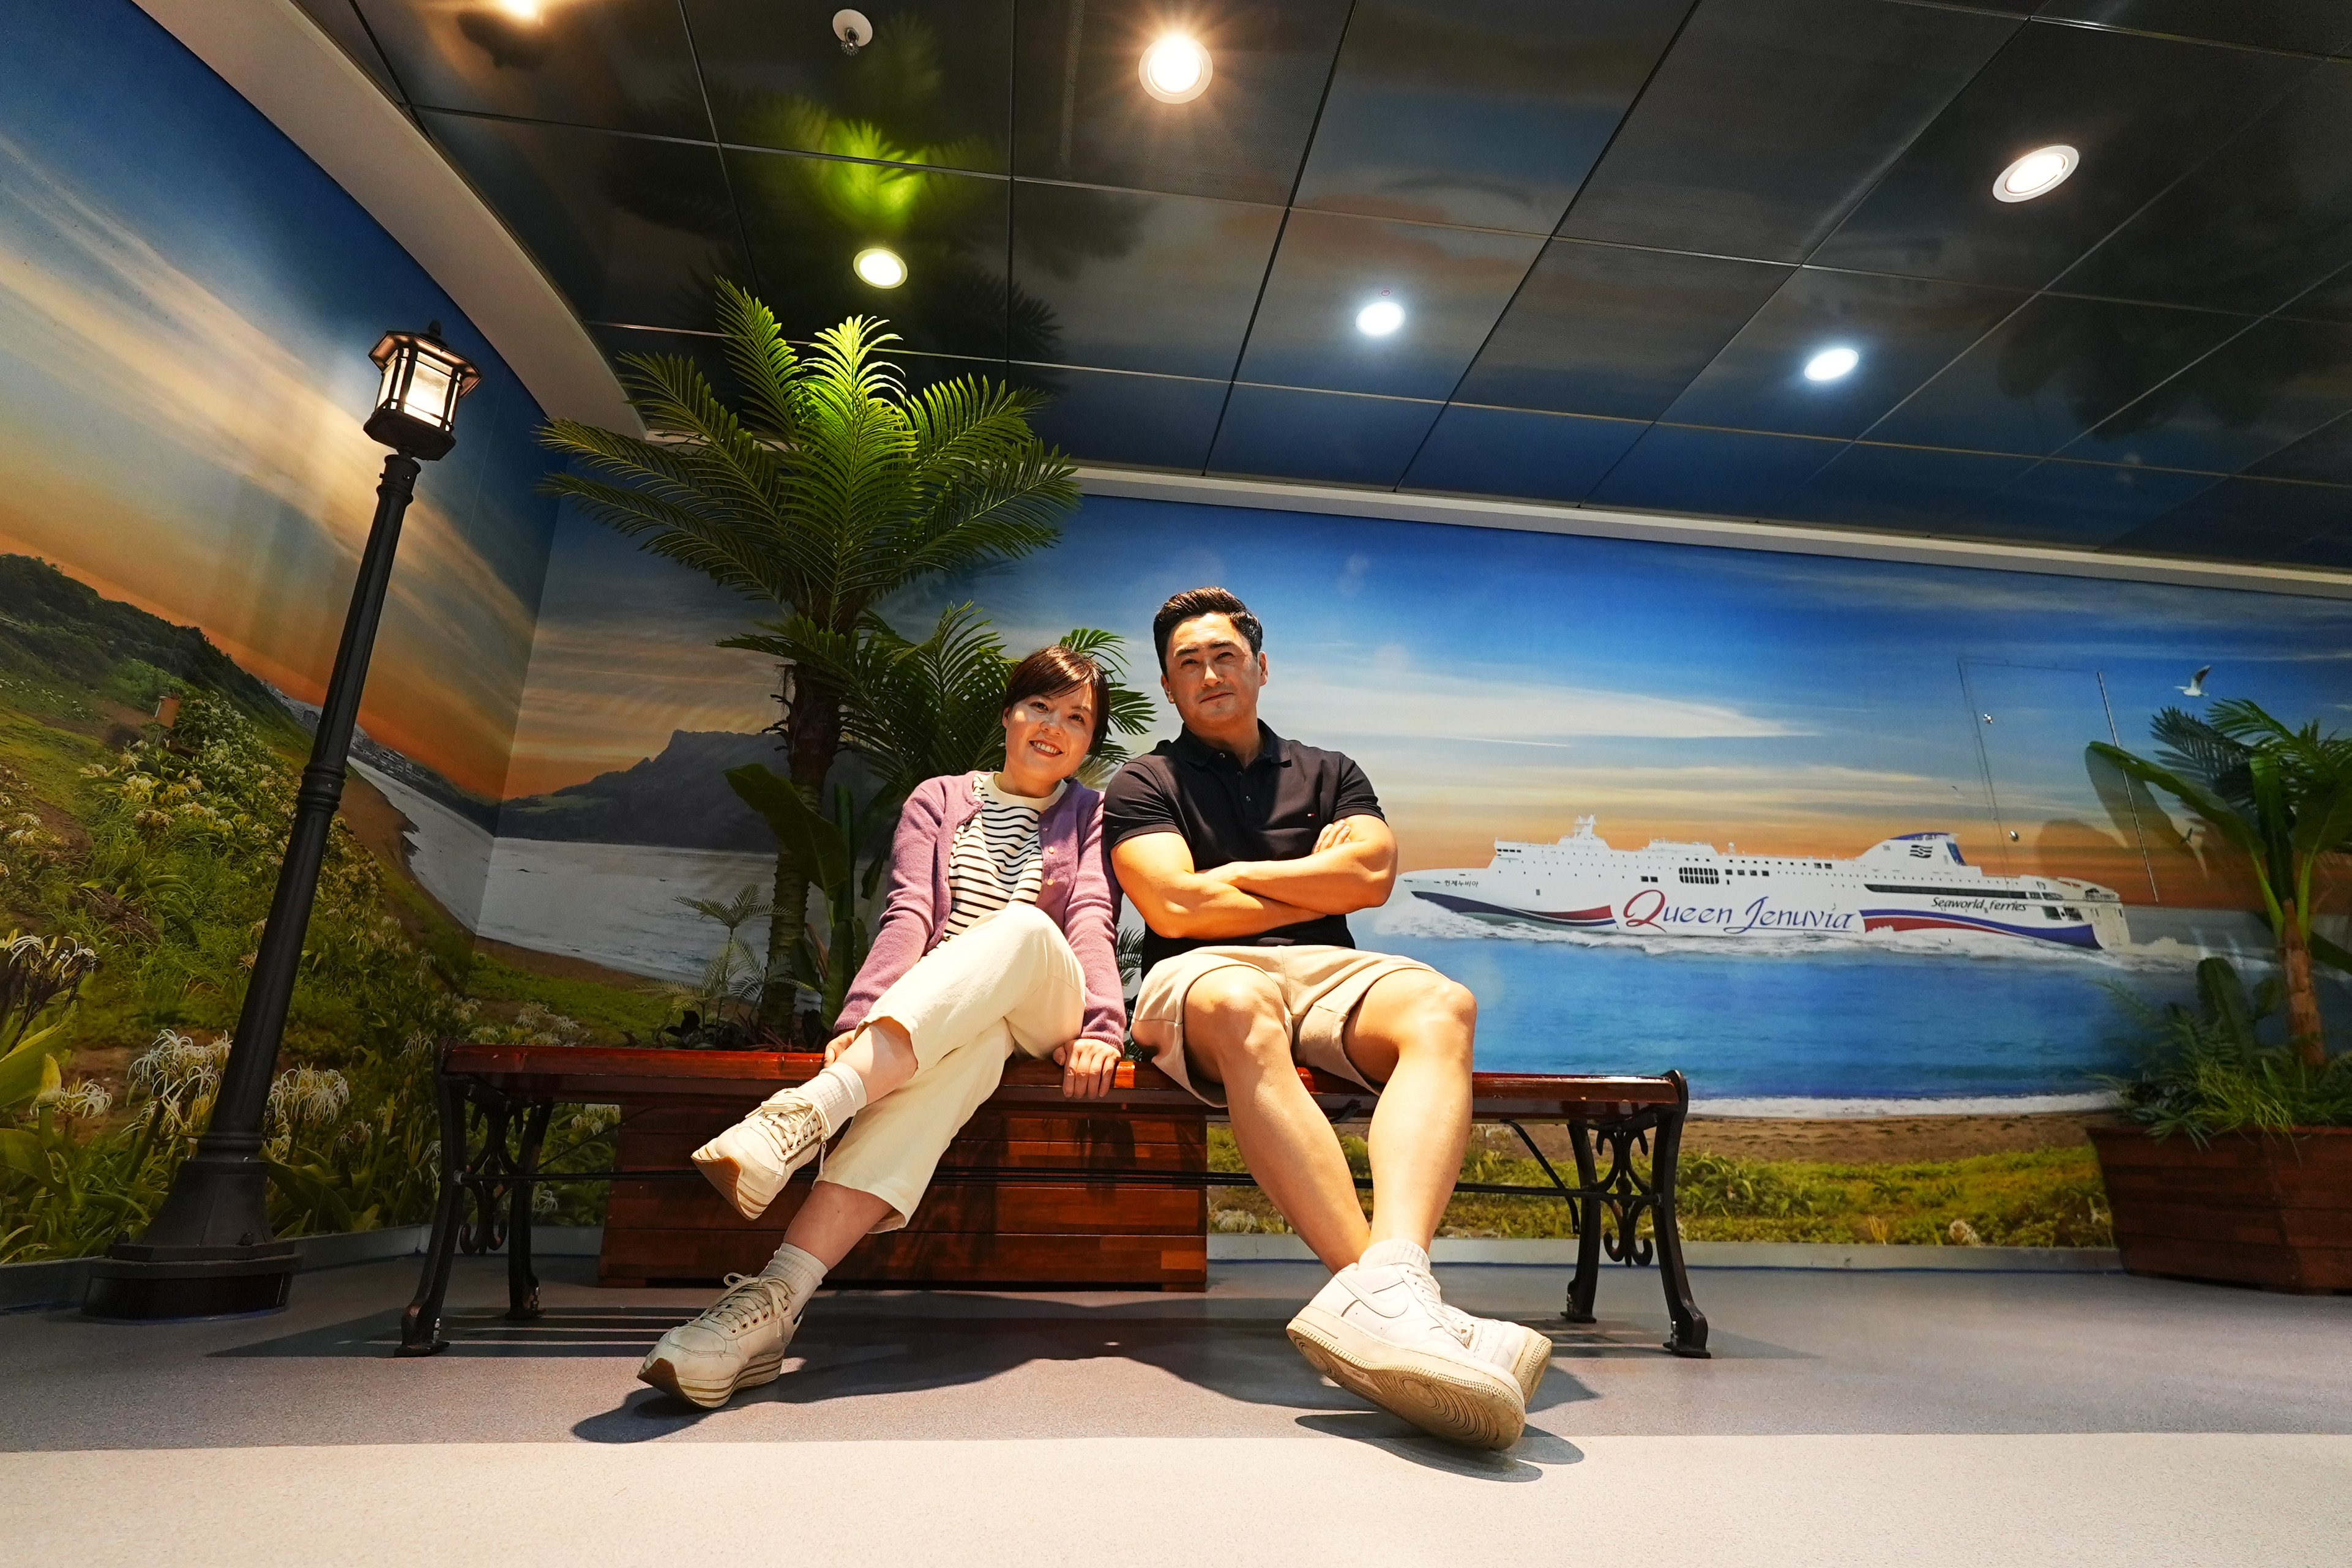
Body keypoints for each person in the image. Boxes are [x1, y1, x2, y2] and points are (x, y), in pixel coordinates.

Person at [1104, 588, 1548, 1450]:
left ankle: (1394, 1284)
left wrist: (1228, 878)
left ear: (1260, 667)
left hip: (1324, 968)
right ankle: (1393, 1309)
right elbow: (1174, 908)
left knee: (1443, 1003)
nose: (1209, 673)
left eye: (1225, 655)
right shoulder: (1144, 781)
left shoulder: (1331, 771)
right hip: (1199, 974)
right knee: (1241, 1005)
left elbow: (1371, 878)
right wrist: (1310, 875)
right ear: (1168, 685)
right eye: (1189, 662)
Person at [638, 646, 1127, 1409]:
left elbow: (1092, 915)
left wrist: (1101, 1024)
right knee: (948, 1073)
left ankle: (808, 1112)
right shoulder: (940, 798)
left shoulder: (1090, 813)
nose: (1053, 727)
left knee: (1026, 928)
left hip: (1044, 1006)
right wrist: (863, 1014)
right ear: (1008, 713)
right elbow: (910, 913)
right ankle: (771, 1304)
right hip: (961, 1019)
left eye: (1076, 718)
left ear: (1089, 741)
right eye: (1040, 706)